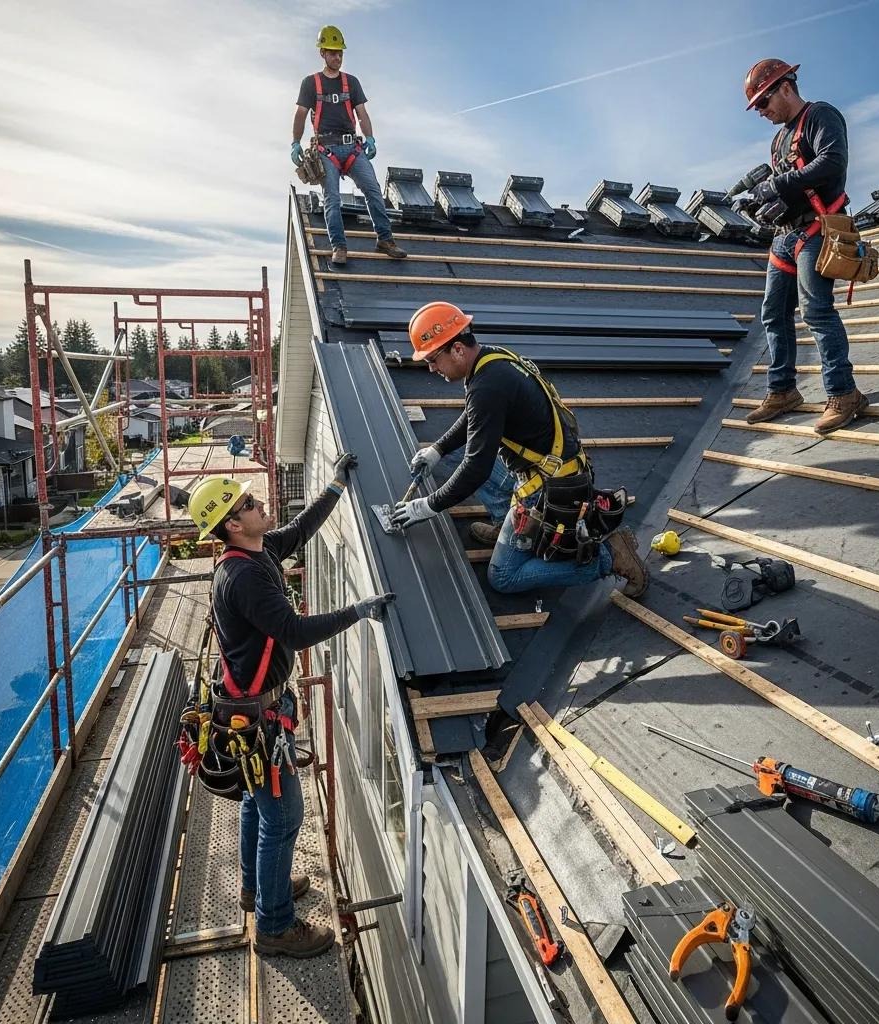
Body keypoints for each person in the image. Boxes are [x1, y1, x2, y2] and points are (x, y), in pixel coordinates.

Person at [188, 457, 394, 958]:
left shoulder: (255, 552)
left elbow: (299, 531)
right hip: (255, 717)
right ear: (232, 525)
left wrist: (336, 485)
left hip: (251, 707)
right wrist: (359, 611)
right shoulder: (245, 579)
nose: (261, 505)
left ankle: (257, 890)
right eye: (250, 504)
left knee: (260, 807)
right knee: (282, 818)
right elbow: (295, 632)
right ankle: (275, 927)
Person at [389, 302, 647, 597]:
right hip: (550, 466)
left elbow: (476, 469)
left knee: (503, 576)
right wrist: (438, 449)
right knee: (458, 452)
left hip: (549, 486)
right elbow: (478, 417)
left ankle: (610, 557)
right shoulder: (490, 360)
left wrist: (426, 506)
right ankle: (505, 525)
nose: (431, 368)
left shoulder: (487, 386)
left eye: (433, 359)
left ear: (457, 349)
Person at [743, 58, 868, 434]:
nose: (762, 112)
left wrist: (776, 187)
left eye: (764, 102)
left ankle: (844, 394)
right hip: (785, 236)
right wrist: (772, 203)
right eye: (757, 107)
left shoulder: (821, 116)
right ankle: (782, 391)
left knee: (816, 312)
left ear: (785, 87)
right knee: (773, 314)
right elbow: (794, 183)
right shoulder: (779, 138)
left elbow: (832, 163)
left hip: (817, 230)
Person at [291, 25, 407, 266]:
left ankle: (385, 240)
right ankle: (339, 246)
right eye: (332, 52)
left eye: (340, 53)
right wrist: (295, 143)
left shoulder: (351, 82)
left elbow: (362, 114)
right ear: (322, 52)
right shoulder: (311, 83)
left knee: (373, 190)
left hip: (352, 148)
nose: (337, 57)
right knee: (332, 198)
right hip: (326, 149)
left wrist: (371, 138)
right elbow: (301, 115)